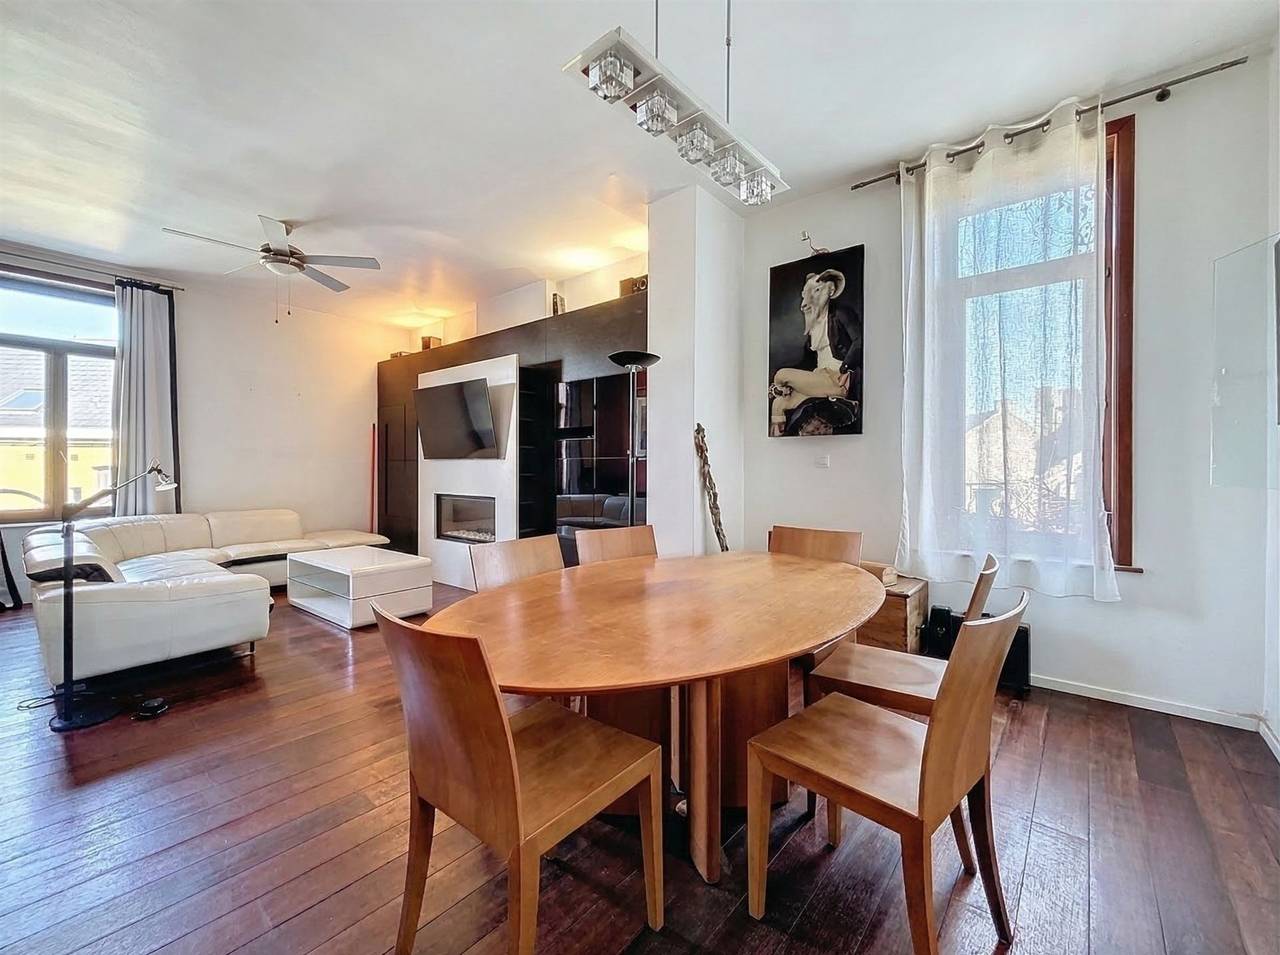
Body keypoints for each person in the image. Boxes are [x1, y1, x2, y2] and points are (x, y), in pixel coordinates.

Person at [769, 268, 862, 436]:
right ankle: (777, 443)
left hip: (836, 379)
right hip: (819, 377)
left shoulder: (841, 313)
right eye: (805, 294)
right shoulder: (815, 326)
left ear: (830, 290)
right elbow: (806, 362)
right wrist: (790, 384)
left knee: (781, 375)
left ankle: (847, 403)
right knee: (779, 404)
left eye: (817, 291)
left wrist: (845, 369)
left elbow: (859, 341)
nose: (804, 303)